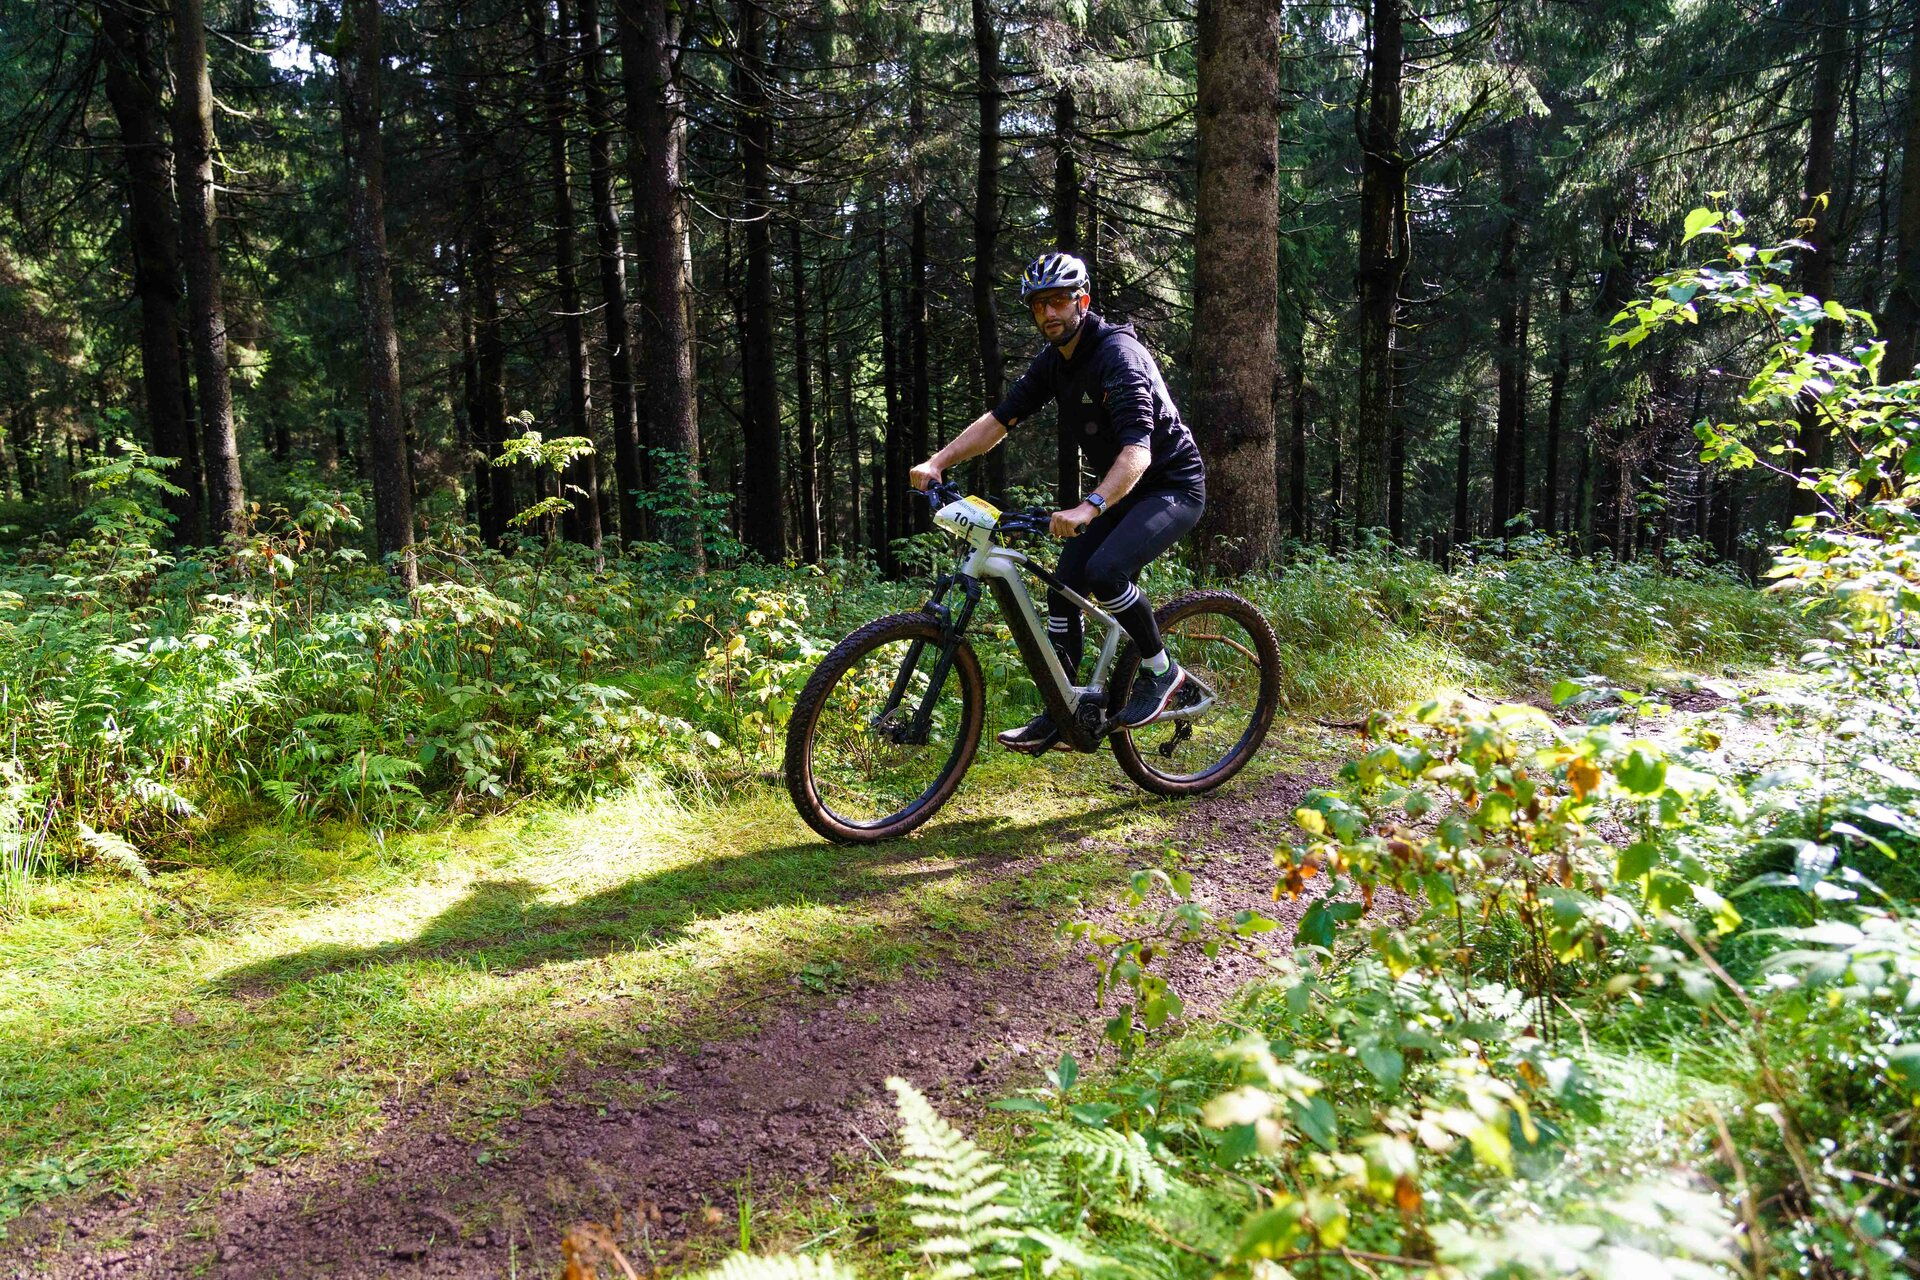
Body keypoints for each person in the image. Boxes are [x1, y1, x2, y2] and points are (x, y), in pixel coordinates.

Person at [909, 250, 1208, 754]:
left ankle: (1162, 672)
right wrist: (938, 462)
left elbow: (1138, 451)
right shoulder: (1054, 361)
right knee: (1064, 587)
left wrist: (1089, 506)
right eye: (1038, 305)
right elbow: (999, 421)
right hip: (1119, 490)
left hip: (1170, 485)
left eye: (1058, 302)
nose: (1048, 313)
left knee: (1105, 572)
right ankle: (1064, 708)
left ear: (1082, 302)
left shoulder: (1119, 355)